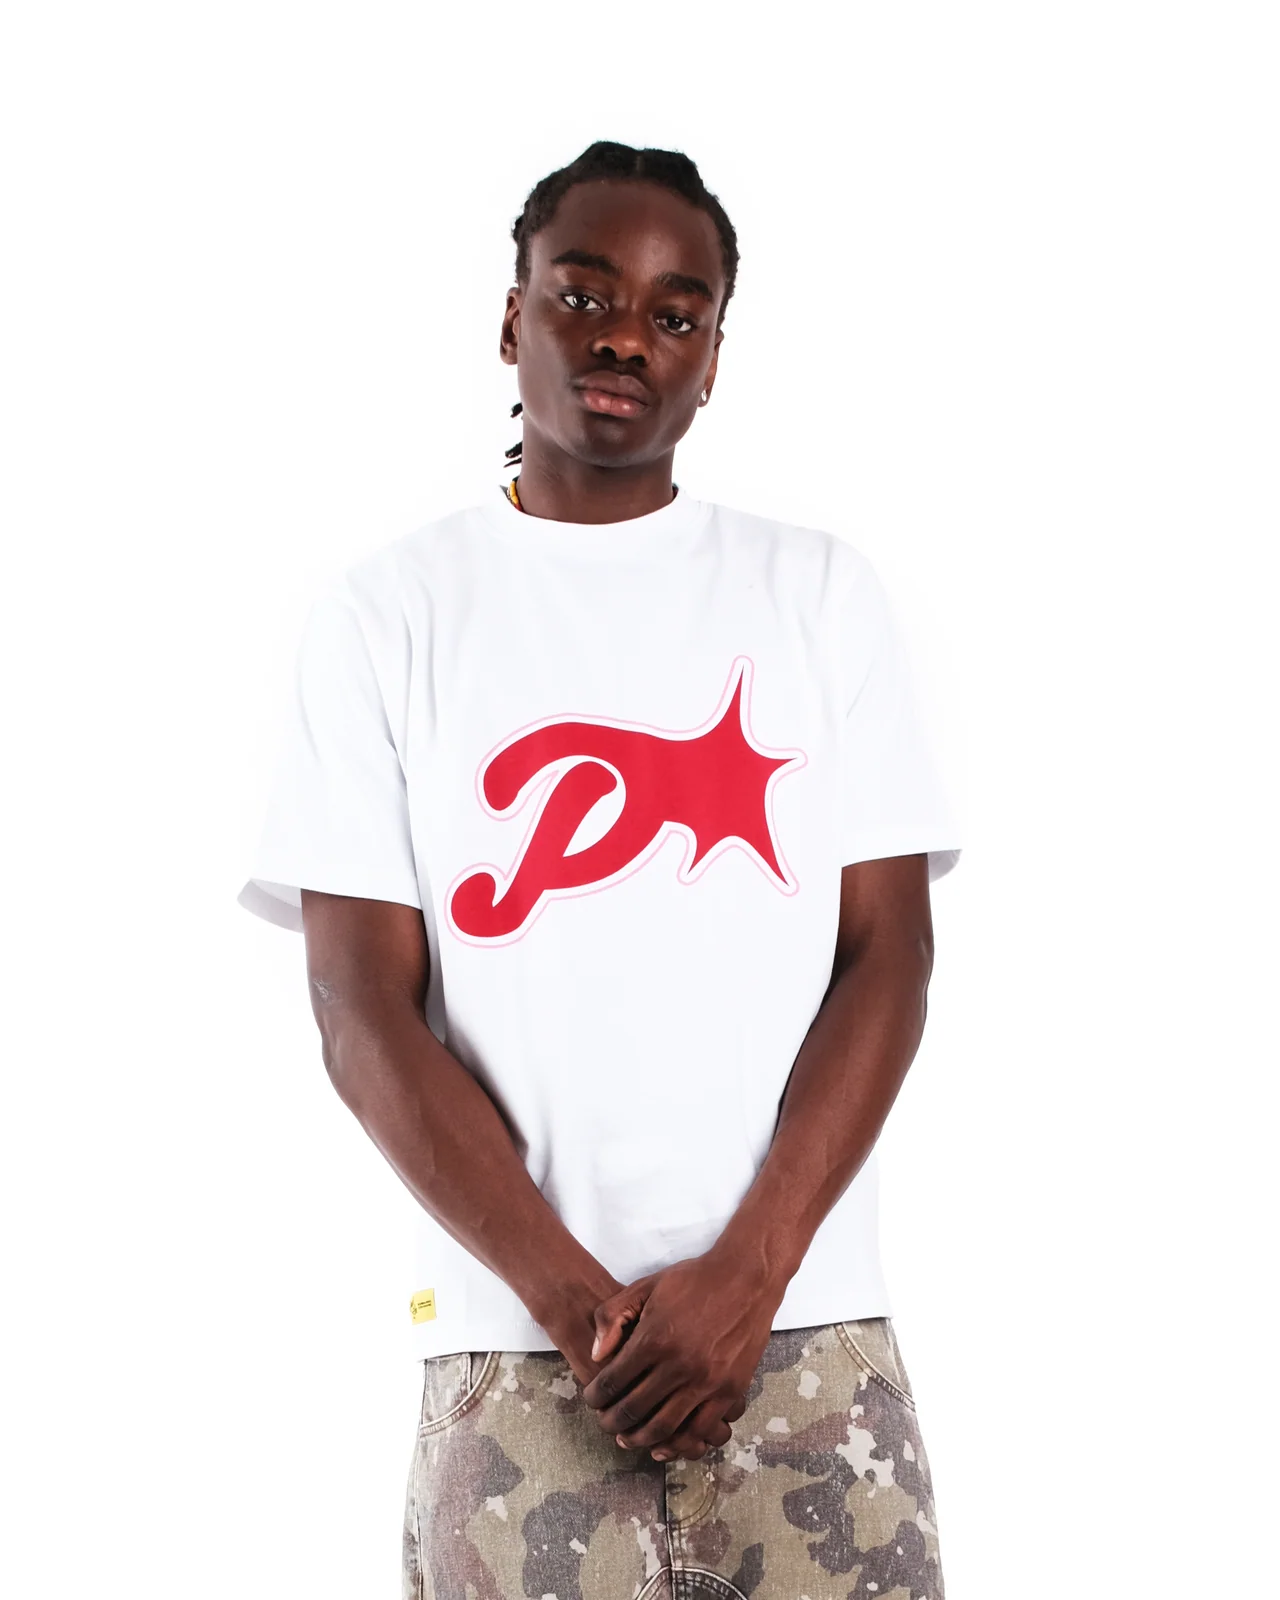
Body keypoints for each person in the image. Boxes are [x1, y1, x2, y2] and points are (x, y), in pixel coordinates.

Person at [238, 139, 963, 1600]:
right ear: (510, 319)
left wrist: (750, 1276)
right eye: (582, 294)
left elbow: (887, 955)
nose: (627, 334)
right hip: (519, 1360)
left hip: (806, 1339)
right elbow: (357, 1009)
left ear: (713, 360)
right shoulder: (387, 616)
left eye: (676, 312)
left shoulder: (818, 592)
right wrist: (583, 1313)